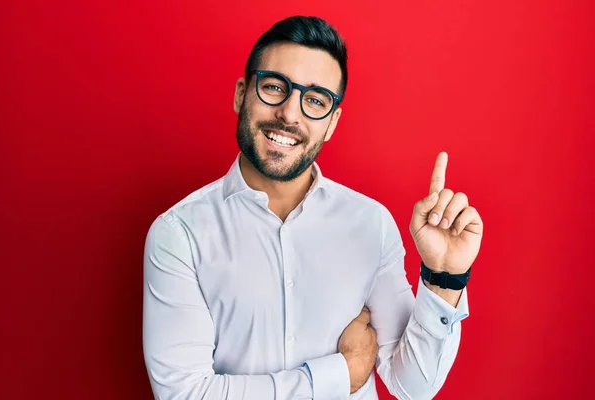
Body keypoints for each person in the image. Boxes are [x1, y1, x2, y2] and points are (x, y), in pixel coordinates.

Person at [142, 15, 483, 400]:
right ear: (242, 93)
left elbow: (413, 386)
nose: (290, 114)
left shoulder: (370, 224)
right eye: (274, 87)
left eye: (315, 100)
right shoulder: (179, 234)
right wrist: (338, 375)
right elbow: (183, 395)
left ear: (332, 122)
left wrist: (445, 278)